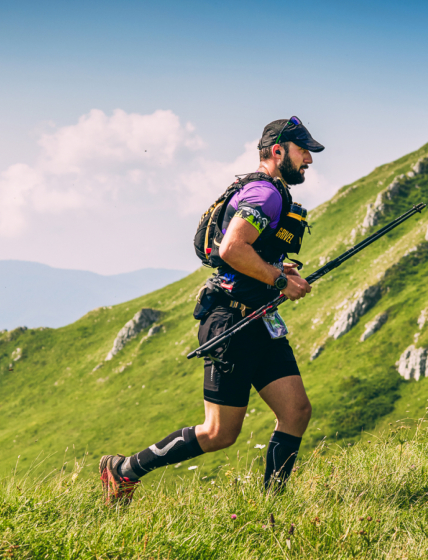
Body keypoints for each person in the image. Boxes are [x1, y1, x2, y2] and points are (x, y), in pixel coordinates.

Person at [100, 116, 324, 504]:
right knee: (219, 433)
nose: (308, 159)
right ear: (277, 151)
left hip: (257, 320)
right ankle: (123, 470)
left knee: (297, 411)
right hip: (231, 323)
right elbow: (232, 249)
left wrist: (274, 269)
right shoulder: (265, 194)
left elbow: (243, 252)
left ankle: (273, 507)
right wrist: (279, 281)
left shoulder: (262, 191)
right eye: (303, 150)